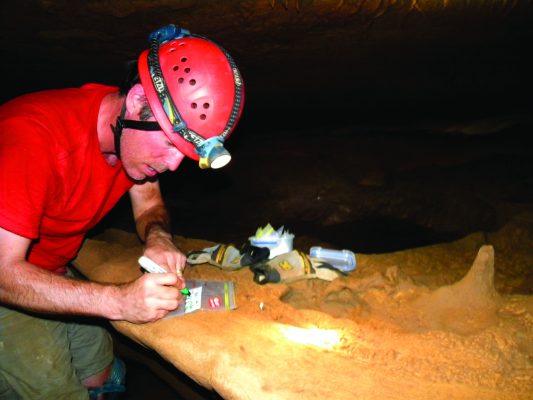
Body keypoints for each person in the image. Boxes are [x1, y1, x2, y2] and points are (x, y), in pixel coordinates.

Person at [0, 24, 244, 399]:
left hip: (52, 268)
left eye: (186, 153)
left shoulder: (127, 135)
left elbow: (149, 205)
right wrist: (119, 301)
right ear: (135, 102)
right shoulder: (30, 139)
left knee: (102, 377)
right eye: (169, 143)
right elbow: (3, 273)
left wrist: (159, 238)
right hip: (9, 283)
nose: (173, 164)